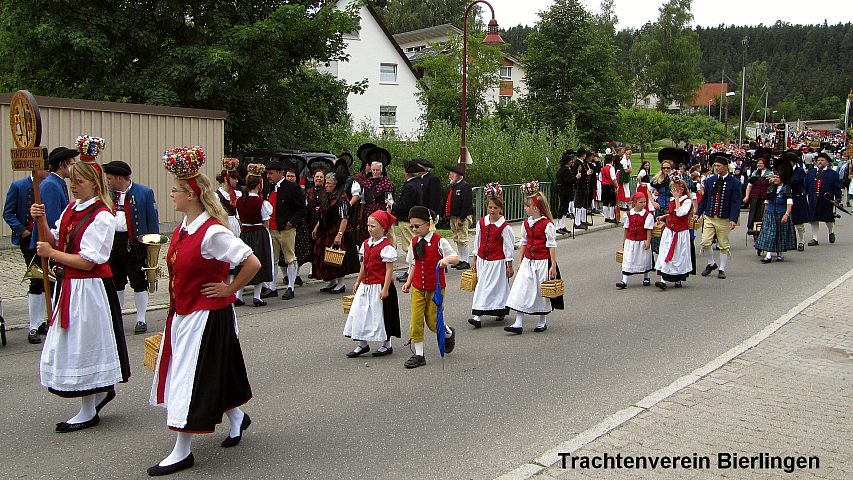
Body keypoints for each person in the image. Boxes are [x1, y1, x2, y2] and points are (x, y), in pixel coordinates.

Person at [149, 146, 260, 476]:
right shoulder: (185, 226)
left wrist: (229, 288)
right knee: (213, 372)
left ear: (191, 194)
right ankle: (237, 416)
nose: (171, 194)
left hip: (207, 314)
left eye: (175, 189)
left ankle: (182, 449)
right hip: (185, 311)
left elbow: (251, 261)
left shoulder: (211, 230)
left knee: (189, 378)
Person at [30, 155, 130, 433]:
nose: (73, 186)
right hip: (70, 287)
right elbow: (54, 239)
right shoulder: (72, 208)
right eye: (71, 181)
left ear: (94, 183)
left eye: (79, 181)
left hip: (90, 289)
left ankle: (89, 408)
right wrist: (41, 221)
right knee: (73, 343)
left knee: (85, 345)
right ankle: (97, 395)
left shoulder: (102, 216)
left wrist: (52, 254)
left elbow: (89, 261)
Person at [24, 147, 78, 342]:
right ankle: (35, 323)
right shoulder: (51, 186)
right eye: (71, 163)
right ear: (62, 165)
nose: (73, 167)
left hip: (50, 243)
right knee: (40, 283)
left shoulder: (58, 184)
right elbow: (55, 219)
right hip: (47, 243)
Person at [103, 159, 159, 334]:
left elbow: (152, 221)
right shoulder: (108, 194)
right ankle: (117, 317)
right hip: (113, 244)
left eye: (110, 178)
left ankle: (141, 319)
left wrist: (152, 249)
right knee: (116, 282)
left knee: (138, 282)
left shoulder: (144, 192)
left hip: (135, 244)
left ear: (120, 178)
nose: (108, 181)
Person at [400, 206, 459, 368]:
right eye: (411, 226)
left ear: (428, 224)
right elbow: (413, 264)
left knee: (433, 322)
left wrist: (446, 260)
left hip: (435, 288)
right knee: (416, 320)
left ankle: (447, 332)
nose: (413, 229)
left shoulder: (440, 241)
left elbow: (456, 257)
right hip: (418, 287)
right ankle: (419, 354)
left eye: (417, 226)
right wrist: (408, 282)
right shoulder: (414, 242)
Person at [505, 182, 563, 334]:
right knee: (521, 289)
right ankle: (518, 322)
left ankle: (542, 320)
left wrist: (553, 266)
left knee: (540, 291)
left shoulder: (547, 225)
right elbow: (524, 243)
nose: (525, 208)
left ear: (536, 208)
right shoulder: (526, 223)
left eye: (527, 206)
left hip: (542, 261)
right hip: (528, 262)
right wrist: (520, 261)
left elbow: (551, 245)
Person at [342, 210, 401, 357]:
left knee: (380, 315)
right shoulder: (366, 244)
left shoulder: (386, 247)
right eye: (368, 225)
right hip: (366, 286)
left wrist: (386, 288)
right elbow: (363, 265)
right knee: (359, 312)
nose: (369, 228)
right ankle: (363, 344)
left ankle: (387, 344)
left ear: (383, 228)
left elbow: (389, 270)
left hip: (379, 286)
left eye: (373, 226)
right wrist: (357, 281)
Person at [3, 169, 50, 343]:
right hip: (29, 238)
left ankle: (44, 320)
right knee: (37, 278)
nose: (49, 171)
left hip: (47, 238)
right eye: (47, 168)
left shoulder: (50, 185)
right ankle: (33, 326)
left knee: (49, 279)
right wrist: (23, 231)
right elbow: (8, 213)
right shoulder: (19, 186)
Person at [468, 183, 514, 327]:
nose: (493, 210)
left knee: (495, 287)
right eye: (490, 207)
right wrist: (474, 258)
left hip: (497, 262)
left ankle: (481, 314)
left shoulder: (504, 226)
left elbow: (508, 247)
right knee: (483, 286)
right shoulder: (481, 222)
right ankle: (483, 313)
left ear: (500, 209)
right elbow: (477, 241)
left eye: (495, 208)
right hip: (483, 260)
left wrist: (509, 265)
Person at [311, 173, 360, 294]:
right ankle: (332, 281)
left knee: (337, 257)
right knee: (326, 257)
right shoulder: (327, 196)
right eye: (326, 183)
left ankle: (341, 283)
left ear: (335, 185)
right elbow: (323, 214)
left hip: (337, 230)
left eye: (329, 183)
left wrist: (339, 235)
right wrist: (317, 227)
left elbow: (344, 218)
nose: (326, 185)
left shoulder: (341, 198)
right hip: (326, 229)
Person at [695, 154, 742, 279]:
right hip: (710, 216)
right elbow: (705, 199)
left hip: (724, 218)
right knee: (705, 242)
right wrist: (698, 213)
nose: (716, 168)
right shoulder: (710, 180)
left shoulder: (734, 182)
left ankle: (722, 268)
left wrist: (733, 219)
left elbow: (736, 202)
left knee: (723, 244)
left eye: (718, 166)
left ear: (726, 167)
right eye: (715, 165)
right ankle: (711, 263)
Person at [264, 160, 305, 300]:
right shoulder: (268, 187)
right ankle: (272, 287)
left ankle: (290, 287)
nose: (268, 176)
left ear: (280, 173)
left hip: (286, 229)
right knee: (273, 259)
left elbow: (300, 208)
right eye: (267, 173)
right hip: (272, 228)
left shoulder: (292, 188)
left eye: (271, 173)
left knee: (290, 258)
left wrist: (291, 222)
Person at [236, 164, 274, 306]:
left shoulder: (240, 200)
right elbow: (265, 222)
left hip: (244, 235)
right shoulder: (261, 202)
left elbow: (239, 220)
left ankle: (238, 295)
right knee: (259, 262)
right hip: (258, 234)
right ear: (259, 184)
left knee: (243, 262)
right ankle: (257, 296)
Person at [654, 178, 695, 289]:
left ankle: (678, 278)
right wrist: (664, 216)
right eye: (673, 188)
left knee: (678, 255)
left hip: (680, 232)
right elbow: (673, 213)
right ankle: (663, 280)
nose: (674, 190)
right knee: (665, 253)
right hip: (669, 231)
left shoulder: (686, 201)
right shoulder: (673, 199)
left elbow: (681, 213)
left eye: (676, 188)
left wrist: (677, 198)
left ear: (682, 189)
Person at [390, 160, 424, 282]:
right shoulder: (416, 183)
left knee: (410, 246)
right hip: (411, 218)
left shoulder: (410, 186)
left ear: (407, 173)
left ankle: (412, 271)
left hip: (407, 219)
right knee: (411, 246)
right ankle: (411, 270)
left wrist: (393, 206)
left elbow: (404, 205)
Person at [755, 169, 797, 263]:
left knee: (781, 234)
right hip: (770, 214)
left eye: (778, 177)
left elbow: (789, 203)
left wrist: (786, 214)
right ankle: (768, 255)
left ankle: (780, 254)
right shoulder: (771, 188)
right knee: (770, 233)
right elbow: (767, 202)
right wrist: (765, 214)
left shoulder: (786, 188)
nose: (776, 178)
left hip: (781, 213)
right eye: (774, 177)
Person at [616, 192, 654, 289]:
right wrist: (624, 240)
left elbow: (649, 230)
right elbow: (626, 228)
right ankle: (624, 280)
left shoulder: (647, 215)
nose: (643, 204)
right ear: (635, 203)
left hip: (642, 241)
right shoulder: (628, 214)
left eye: (645, 202)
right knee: (628, 259)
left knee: (644, 259)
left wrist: (648, 241)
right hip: (631, 241)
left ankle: (646, 277)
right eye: (641, 202)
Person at [805, 152, 842, 245]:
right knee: (813, 219)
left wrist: (837, 199)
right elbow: (806, 186)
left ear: (827, 162)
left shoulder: (833, 174)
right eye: (818, 160)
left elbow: (837, 188)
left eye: (822, 160)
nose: (820, 162)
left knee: (828, 219)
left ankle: (831, 232)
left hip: (827, 200)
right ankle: (815, 238)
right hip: (813, 199)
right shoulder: (811, 173)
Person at [445, 165, 473, 270]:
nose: (449, 176)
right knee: (457, 239)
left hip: (461, 217)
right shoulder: (455, 186)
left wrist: (462, 218)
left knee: (463, 239)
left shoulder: (465, 186)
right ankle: (461, 259)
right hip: (454, 216)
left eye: (451, 174)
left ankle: (465, 260)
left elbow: (466, 203)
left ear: (458, 176)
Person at [743, 155, 772, 244]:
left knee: (761, 215)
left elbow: (772, 187)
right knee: (754, 214)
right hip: (755, 197)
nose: (759, 165)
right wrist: (747, 196)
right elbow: (749, 185)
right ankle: (754, 232)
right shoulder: (754, 173)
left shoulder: (770, 173)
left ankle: (761, 232)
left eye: (761, 163)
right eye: (758, 163)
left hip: (764, 197)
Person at [554, 150, 575, 234]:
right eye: (570, 160)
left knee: (565, 209)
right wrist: (576, 178)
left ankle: (562, 225)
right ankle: (558, 226)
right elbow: (567, 181)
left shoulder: (565, 169)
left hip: (565, 191)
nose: (571, 161)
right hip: (564, 191)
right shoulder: (565, 170)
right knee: (562, 208)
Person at [600, 154, 618, 223]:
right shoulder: (611, 168)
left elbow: (600, 178)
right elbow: (613, 178)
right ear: (612, 161)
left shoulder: (603, 168)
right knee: (612, 202)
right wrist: (617, 186)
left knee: (605, 202)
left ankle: (606, 217)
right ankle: (612, 217)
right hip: (610, 186)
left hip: (604, 186)